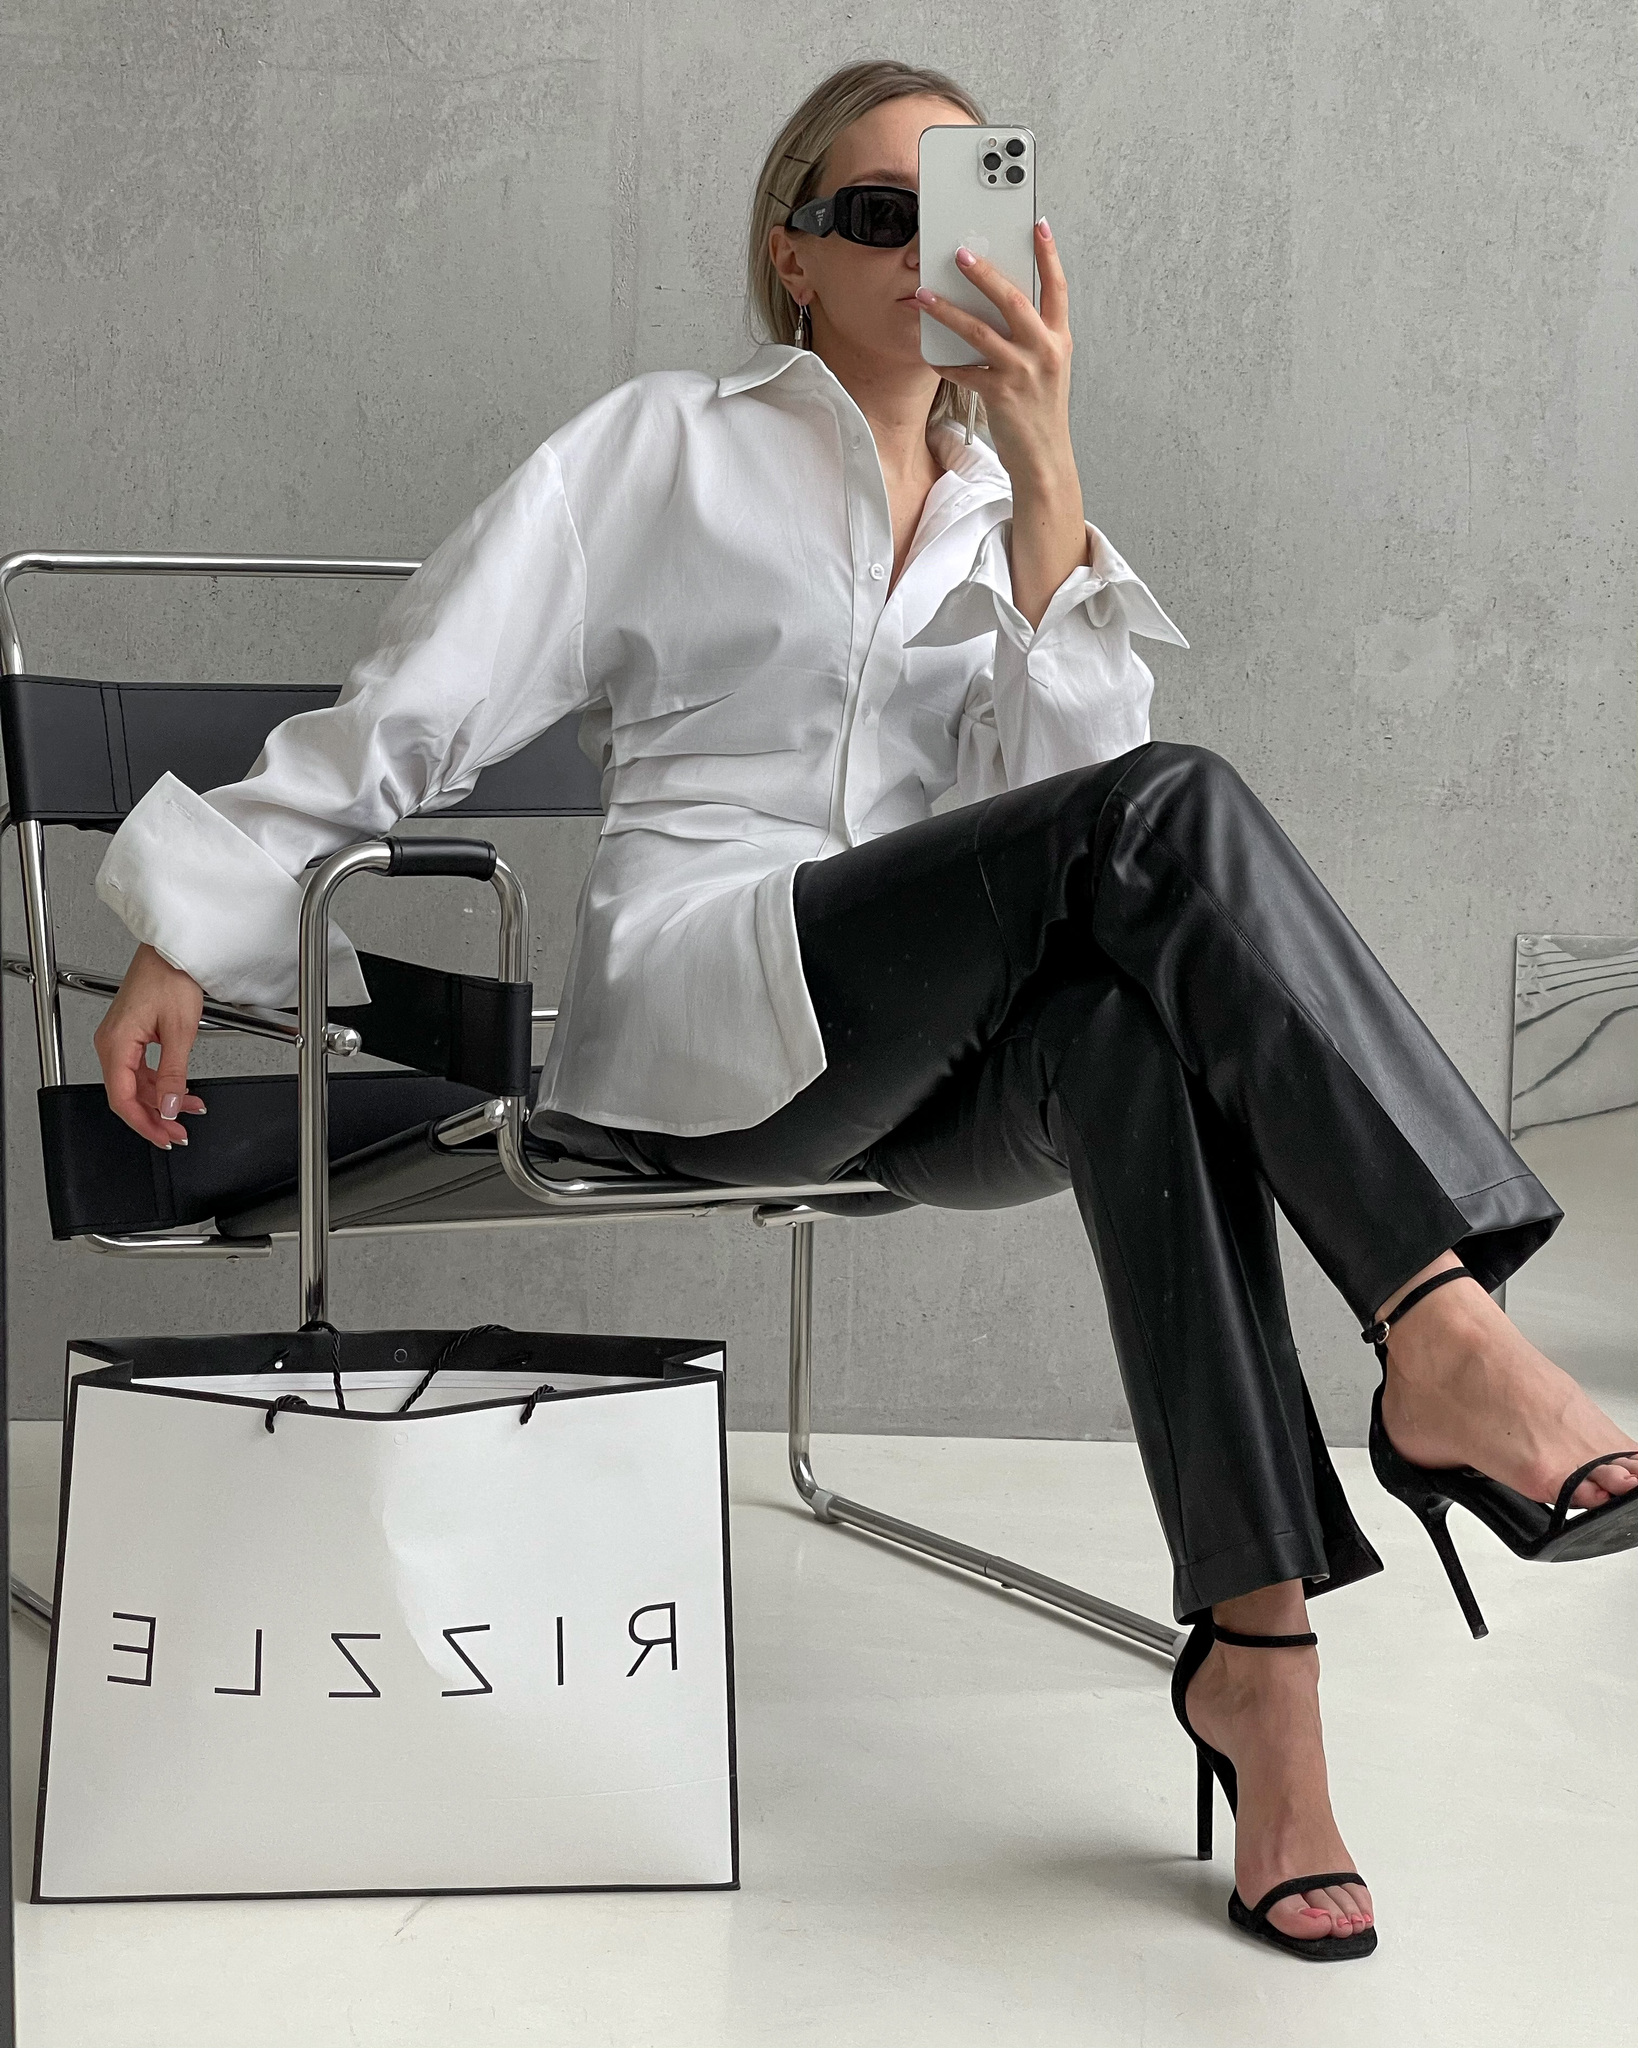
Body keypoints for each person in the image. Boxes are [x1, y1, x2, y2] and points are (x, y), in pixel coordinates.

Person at [91, 60, 1638, 1959]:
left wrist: (1048, 474)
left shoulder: (1000, 503)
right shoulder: (663, 448)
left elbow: (1082, 849)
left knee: (1137, 1027)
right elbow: (416, 706)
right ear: (792, 253)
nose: (921, 248)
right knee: (1173, 806)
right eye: (876, 214)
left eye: (960, 205)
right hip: (708, 1014)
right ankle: (1441, 1326)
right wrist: (197, 927)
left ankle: (1262, 1666)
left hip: (925, 1070)